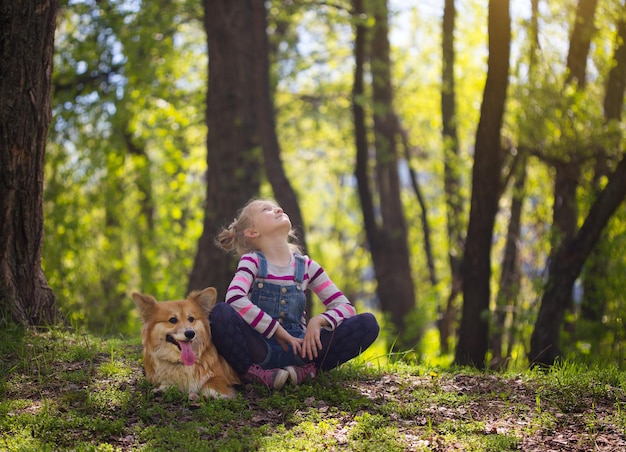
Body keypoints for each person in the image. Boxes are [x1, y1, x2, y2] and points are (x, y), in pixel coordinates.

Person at [210, 198, 380, 389]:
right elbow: (234, 298)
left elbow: (345, 307)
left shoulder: (307, 266)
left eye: (276, 207)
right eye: (267, 209)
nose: (278, 209)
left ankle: (307, 371)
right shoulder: (252, 262)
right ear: (252, 232)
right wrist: (276, 330)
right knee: (220, 314)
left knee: (367, 324)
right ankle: (254, 373)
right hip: (259, 349)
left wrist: (319, 321)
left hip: (301, 350)